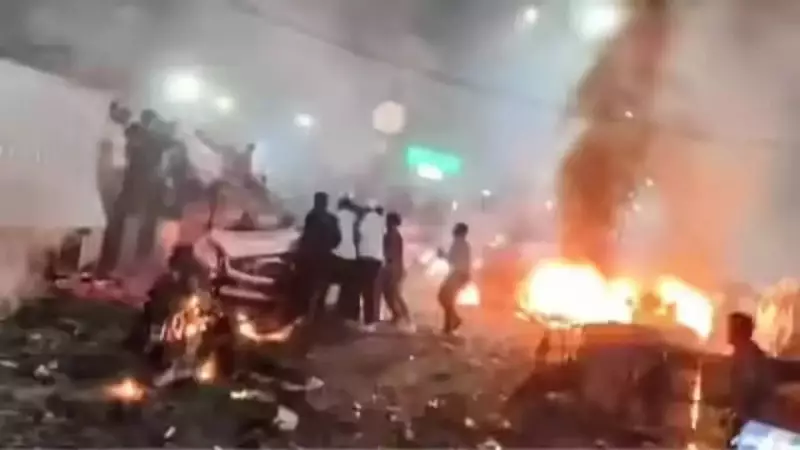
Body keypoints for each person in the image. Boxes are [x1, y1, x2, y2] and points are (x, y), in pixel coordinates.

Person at [293, 192, 341, 322]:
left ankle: (306, 314)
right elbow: (337, 239)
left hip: (309, 258)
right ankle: (319, 313)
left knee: (307, 287)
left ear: (315, 202)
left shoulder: (311, 216)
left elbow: (306, 237)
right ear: (326, 203)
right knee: (323, 285)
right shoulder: (332, 219)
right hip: (325, 257)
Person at [437, 222, 472, 335]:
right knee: (447, 298)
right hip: (460, 274)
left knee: (444, 297)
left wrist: (442, 255)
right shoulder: (462, 244)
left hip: (458, 274)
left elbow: (452, 260)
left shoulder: (459, 243)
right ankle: (450, 324)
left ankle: (452, 323)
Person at [382, 211, 413, 332]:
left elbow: (392, 253)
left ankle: (407, 319)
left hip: (394, 268)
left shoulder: (393, 235)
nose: (386, 223)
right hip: (394, 268)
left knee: (395, 294)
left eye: (388, 220)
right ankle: (398, 316)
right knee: (389, 294)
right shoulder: (391, 234)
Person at [356, 202, 385, 332]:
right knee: (373, 290)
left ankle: (369, 321)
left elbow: (360, 234)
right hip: (377, 260)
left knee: (366, 291)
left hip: (366, 259)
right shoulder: (381, 221)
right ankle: (373, 319)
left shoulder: (366, 219)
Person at [332, 196, 360, 325]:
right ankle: (351, 314)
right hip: (352, 256)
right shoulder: (355, 218)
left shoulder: (335, 217)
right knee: (351, 287)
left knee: (330, 283)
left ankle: (336, 311)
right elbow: (358, 237)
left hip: (337, 255)